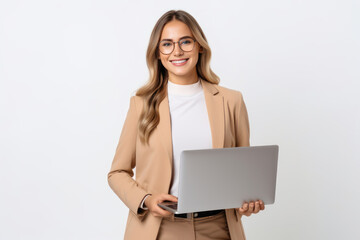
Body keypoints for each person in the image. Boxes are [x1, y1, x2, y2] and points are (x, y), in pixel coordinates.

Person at [107, 10, 265, 240]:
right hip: (160, 229)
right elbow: (117, 172)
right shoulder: (141, 104)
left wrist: (248, 201)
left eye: (186, 42)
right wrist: (147, 200)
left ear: (199, 46)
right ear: (158, 53)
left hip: (218, 228)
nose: (177, 51)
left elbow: (243, 174)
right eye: (167, 44)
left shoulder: (231, 101)